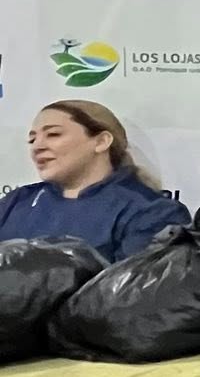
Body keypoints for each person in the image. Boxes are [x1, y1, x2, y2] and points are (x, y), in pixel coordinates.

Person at [2, 100, 188, 261]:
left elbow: (137, 287)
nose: (37, 146)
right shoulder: (17, 201)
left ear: (101, 142)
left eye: (53, 134)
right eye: (32, 140)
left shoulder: (152, 212)